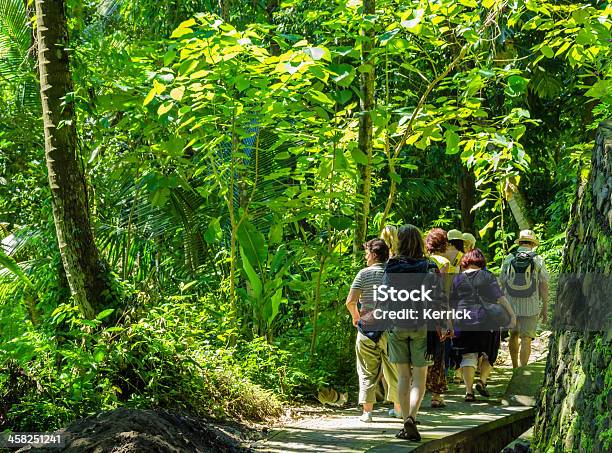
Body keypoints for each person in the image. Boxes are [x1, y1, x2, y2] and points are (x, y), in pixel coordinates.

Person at [385, 225, 443, 441]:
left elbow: (384, 297)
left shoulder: (391, 266)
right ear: (420, 241)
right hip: (421, 325)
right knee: (419, 377)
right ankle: (412, 417)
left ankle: (404, 422)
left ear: (399, 242)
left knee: (402, 376)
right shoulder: (429, 266)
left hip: (397, 324)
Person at [345, 239, 402, 422]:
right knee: (394, 370)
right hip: (391, 328)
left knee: (367, 370)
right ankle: (398, 409)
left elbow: (350, 302)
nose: (365, 257)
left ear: (374, 254)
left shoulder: (363, 274)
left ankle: (367, 412)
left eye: (367, 253)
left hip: (367, 329)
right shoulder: (394, 274)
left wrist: (356, 317)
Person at [450, 249, 516, 402]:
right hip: (486, 320)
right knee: (489, 352)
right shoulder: (488, 276)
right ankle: (482, 381)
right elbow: (500, 298)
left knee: (468, 355)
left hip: (463, 320)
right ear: (481, 261)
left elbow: (451, 303)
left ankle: (468, 392)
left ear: (466, 261)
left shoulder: (457, 279)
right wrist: (512, 315)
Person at [500, 230, 549, 368]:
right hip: (531, 305)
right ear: (533, 244)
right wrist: (545, 307)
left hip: (511, 304)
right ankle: (522, 370)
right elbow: (544, 285)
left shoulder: (509, 258)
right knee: (526, 338)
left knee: (513, 334)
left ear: (520, 242)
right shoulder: (538, 259)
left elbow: (502, 281)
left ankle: (515, 366)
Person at [424, 228, 452, 408]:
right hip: (437, 311)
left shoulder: (423, 261)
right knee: (438, 353)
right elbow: (445, 291)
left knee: (421, 350)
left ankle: (415, 390)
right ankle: (436, 395)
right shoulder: (444, 262)